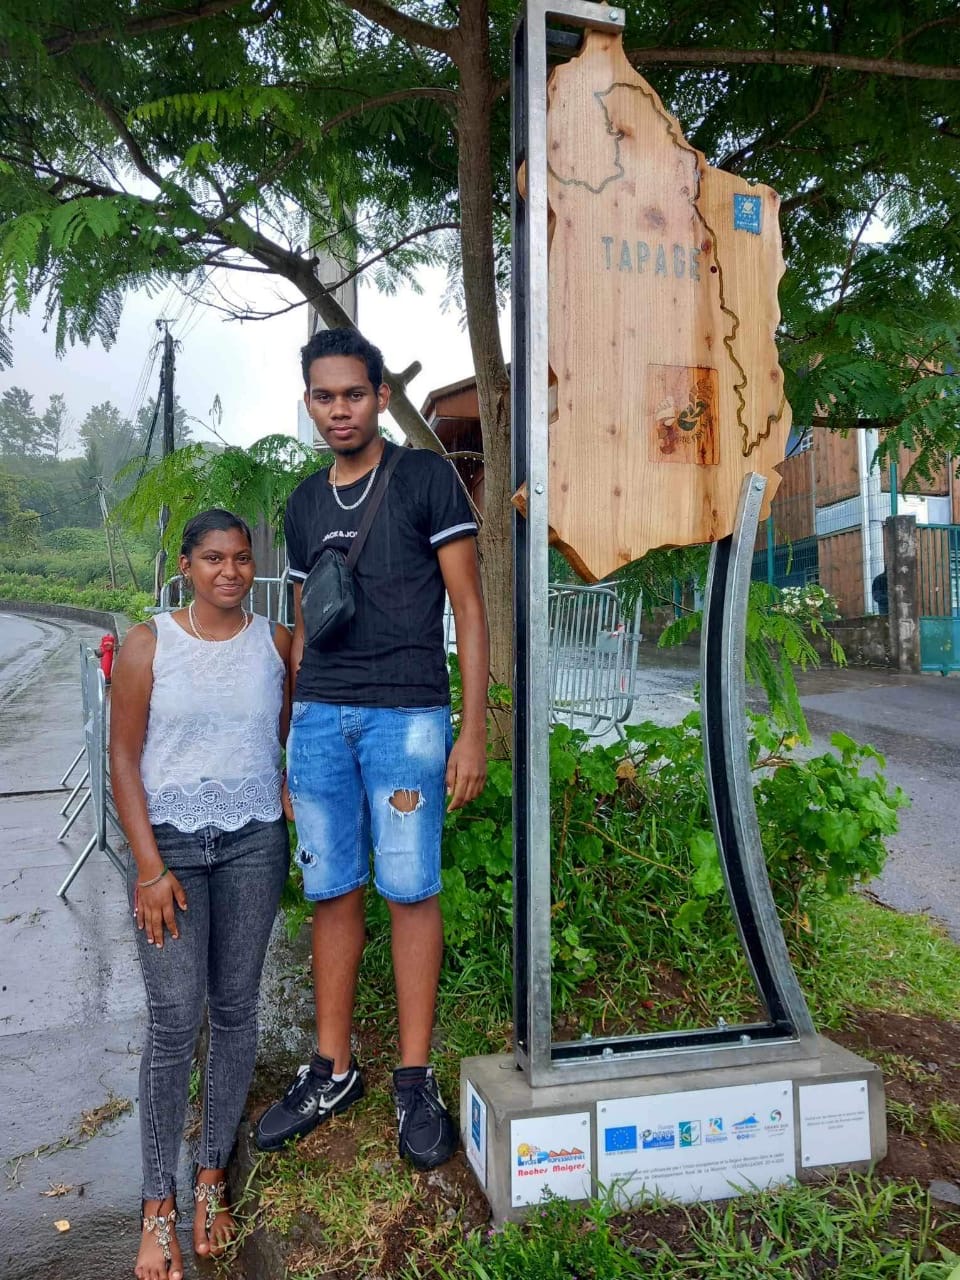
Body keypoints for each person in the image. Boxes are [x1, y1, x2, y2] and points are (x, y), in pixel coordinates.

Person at [254, 328, 489, 1170]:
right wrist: (285, 737)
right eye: (323, 396)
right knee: (331, 891)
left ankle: (415, 1077)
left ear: (380, 396)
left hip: (408, 718)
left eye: (353, 394)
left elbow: (467, 603)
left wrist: (474, 727)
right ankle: (333, 1069)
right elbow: (297, 633)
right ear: (309, 401)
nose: (338, 410)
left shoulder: (426, 478)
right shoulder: (302, 503)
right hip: (321, 718)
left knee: (410, 888)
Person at [110, 509, 291, 1280]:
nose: (230, 571)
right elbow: (121, 757)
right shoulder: (151, 644)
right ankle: (158, 1202)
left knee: (237, 1010)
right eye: (214, 558)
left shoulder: (279, 644)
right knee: (175, 1019)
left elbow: (289, 729)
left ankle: (211, 1178)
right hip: (172, 847)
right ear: (185, 565)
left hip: (254, 841)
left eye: (243, 559)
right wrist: (149, 868)